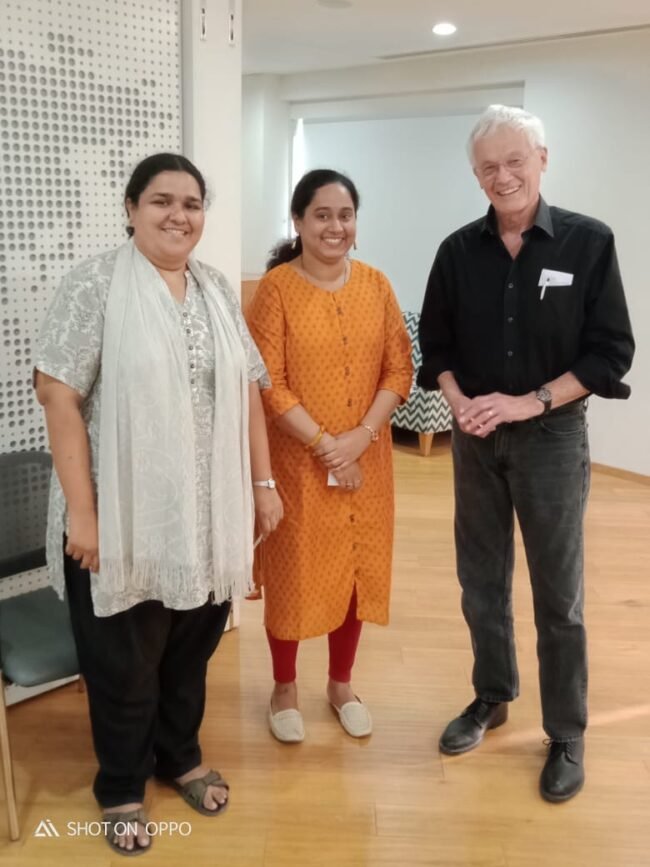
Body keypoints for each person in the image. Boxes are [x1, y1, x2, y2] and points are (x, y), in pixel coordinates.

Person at [34, 153, 283, 855]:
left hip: (207, 515)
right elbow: (58, 396)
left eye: (192, 203)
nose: (179, 215)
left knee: (189, 649)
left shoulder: (213, 289)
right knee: (123, 659)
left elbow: (248, 391)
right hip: (121, 516)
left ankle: (179, 755)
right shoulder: (96, 285)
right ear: (132, 207)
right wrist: (85, 515)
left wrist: (262, 485)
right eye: (162, 201)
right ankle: (119, 783)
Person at [418, 105, 634, 802]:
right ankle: (492, 694)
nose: (502, 176)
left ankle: (566, 731)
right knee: (480, 582)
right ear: (474, 173)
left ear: (543, 159)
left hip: (550, 436)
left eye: (515, 161)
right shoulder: (457, 251)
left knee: (558, 597)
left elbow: (610, 353)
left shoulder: (587, 243)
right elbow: (438, 348)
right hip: (476, 442)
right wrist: (455, 397)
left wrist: (529, 401)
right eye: (488, 166)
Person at [246, 169, 412, 743]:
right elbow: (267, 381)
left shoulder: (377, 285)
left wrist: (359, 438)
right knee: (296, 571)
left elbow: (399, 368)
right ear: (297, 222)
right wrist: (325, 445)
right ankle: (284, 686)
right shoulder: (276, 290)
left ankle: (341, 683)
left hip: (368, 461)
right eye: (321, 215)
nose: (334, 226)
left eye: (345, 215)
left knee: (353, 569)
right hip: (299, 464)